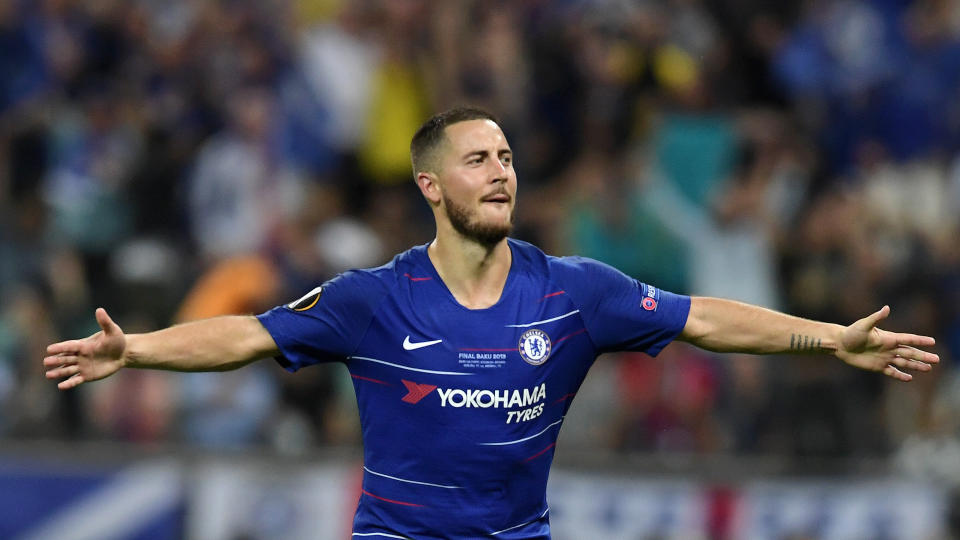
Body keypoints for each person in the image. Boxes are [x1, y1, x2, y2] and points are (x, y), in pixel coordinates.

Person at [44, 107, 939, 539]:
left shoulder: (576, 292)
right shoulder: (372, 298)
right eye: (477, 159)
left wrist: (830, 336)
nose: (501, 170)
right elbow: (249, 335)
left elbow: (704, 319)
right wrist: (139, 351)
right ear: (431, 186)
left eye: (508, 155)